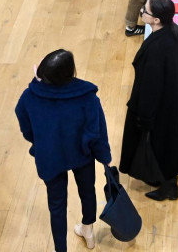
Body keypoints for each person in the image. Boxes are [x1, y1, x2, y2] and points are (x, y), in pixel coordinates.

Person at [15, 49, 111, 252]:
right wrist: (105, 158)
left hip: (50, 157)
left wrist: (40, 142)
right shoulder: (87, 97)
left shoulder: (30, 97)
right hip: (81, 155)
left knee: (56, 206)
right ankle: (88, 230)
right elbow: (97, 132)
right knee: (87, 191)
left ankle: (61, 249)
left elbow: (25, 126)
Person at [119, 0, 178, 200]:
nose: (142, 11)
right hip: (171, 98)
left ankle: (168, 186)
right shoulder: (172, 31)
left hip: (158, 107)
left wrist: (144, 117)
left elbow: (151, 87)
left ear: (156, 20)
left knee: (159, 144)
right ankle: (167, 183)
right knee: (168, 144)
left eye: (146, 10)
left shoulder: (156, 50)